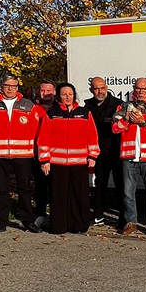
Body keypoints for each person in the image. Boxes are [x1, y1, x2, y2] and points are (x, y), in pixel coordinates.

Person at [0, 75, 42, 234]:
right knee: (1, 189)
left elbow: (36, 129)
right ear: (1, 86)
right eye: (7, 85)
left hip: (23, 155)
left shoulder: (28, 105)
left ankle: (28, 222)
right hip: (0, 155)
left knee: (24, 189)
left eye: (14, 85)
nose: (10, 88)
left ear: (18, 87)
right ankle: (1, 222)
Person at [37, 83, 100, 234]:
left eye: (70, 94)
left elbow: (92, 135)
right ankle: (59, 226)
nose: (67, 97)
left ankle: (78, 225)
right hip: (57, 163)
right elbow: (43, 138)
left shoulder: (85, 113)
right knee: (58, 196)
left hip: (79, 162)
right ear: (58, 96)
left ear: (74, 95)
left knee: (79, 195)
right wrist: (44, 160)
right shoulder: (51, 114)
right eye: (64, 94)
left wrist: (93, 155)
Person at [112, 77, 146, 236]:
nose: (141, 92)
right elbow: (115, 128)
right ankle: (131, 222)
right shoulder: (123, 107)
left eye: (144, 89)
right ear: (134, 90)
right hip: (129, 157)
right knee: (128, 192)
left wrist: (143, 122)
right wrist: (127, 120)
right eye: (138, 89)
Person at [84, 76, 125, 228]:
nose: (100, 91)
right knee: (99, 186)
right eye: (96, 88)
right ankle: (98, 215)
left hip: (116, 152)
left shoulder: (117, 105)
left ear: (107, 88)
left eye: (102, 87)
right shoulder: (87, 107)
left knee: (121, 187)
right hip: (98, 154)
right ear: (91, 90)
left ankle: (123, 218)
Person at [32, 80, 56, 228]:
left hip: (57, 154)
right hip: (38, 154)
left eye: (48, 90)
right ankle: (40, 215)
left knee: (56, 187)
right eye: (42, 90)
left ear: (54, 92)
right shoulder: (32, 109)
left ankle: (55, 215)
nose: (45, 93)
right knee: (40, 187)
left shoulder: (60, 109)